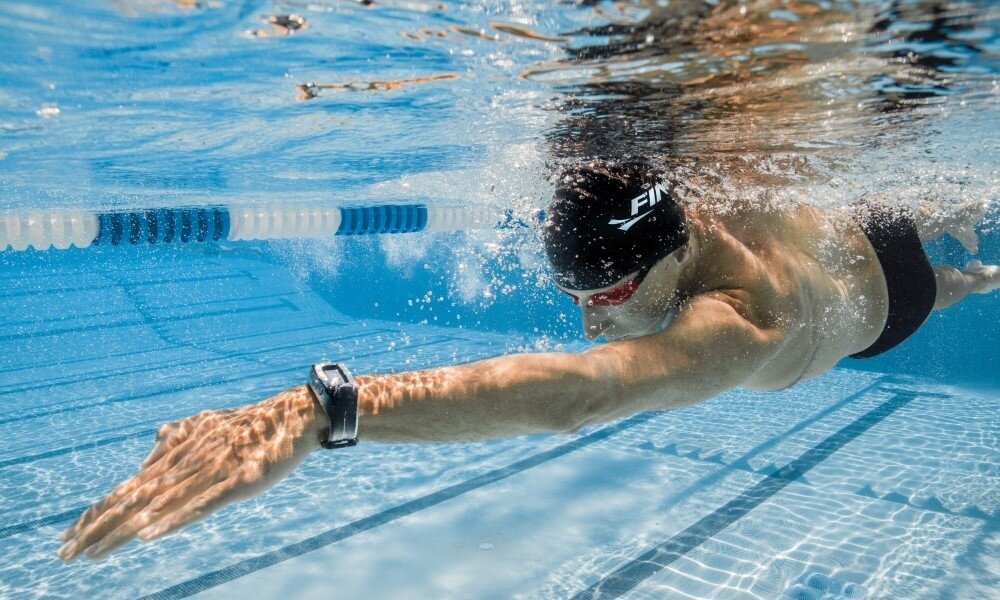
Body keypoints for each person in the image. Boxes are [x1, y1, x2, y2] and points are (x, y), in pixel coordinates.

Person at [57, 161, 998, 562]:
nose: (592, 326)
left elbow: (576, 398)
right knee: (925, 212)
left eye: (612, 297)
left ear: (674, 253)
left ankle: (977, 272)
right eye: (576, 298)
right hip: (847, 220)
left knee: (950, 282)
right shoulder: (676, 206)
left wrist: (321, 409)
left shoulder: (739, 319)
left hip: (887, 305)